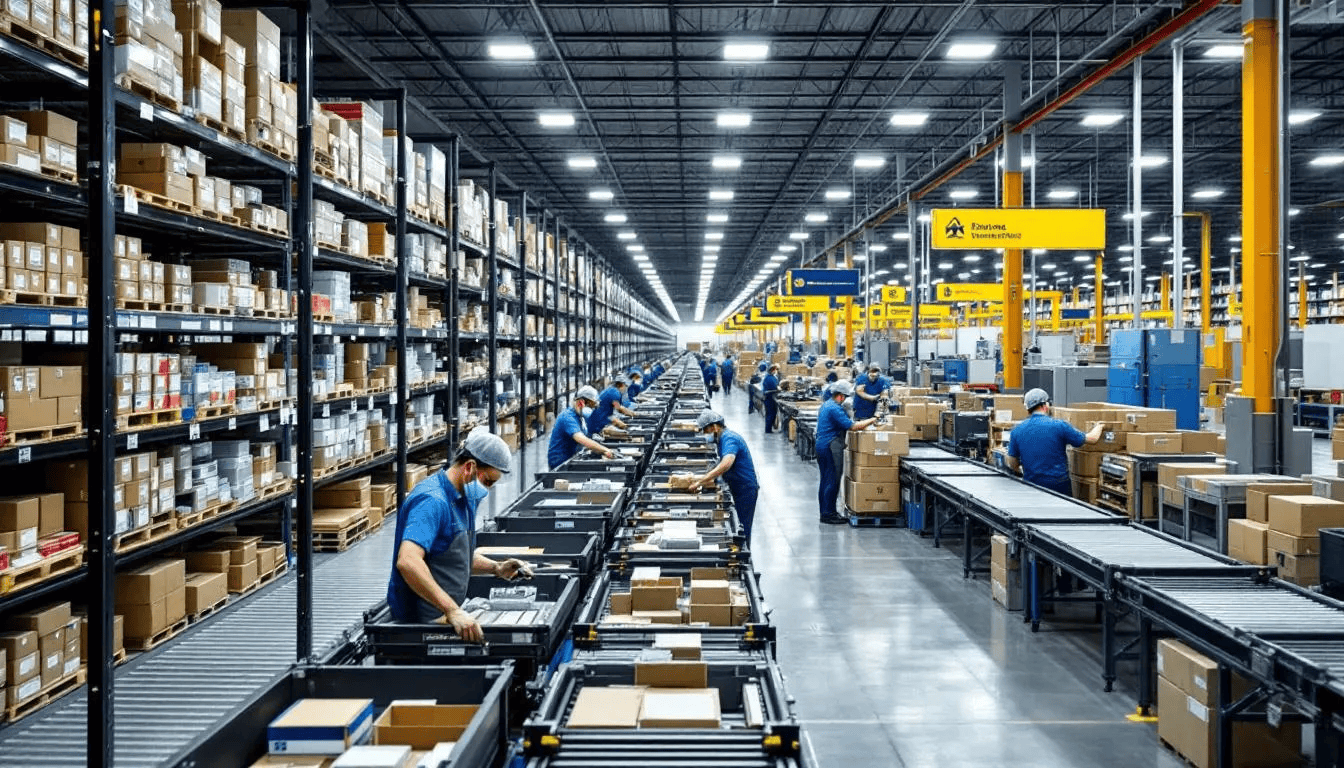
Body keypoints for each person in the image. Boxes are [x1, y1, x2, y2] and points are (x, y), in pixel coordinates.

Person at [388, 429, 532, 635]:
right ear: (469, 467)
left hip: (445, 616)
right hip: (422, 625)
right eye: (488, 481)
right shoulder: (432, 501)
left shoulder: (465, 498)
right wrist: (452, 610)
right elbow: (408, 561)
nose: (487, 489)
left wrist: (496, 567)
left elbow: (452, 555)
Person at [1006, 388, 1105, 496]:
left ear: (1028, 409)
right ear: (1045, 405)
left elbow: (1012, 462)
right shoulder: (1059, 426)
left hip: (1032, 486)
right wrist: (1099, 426)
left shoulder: (1017, 430)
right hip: (1059, 486)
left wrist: (1022, 472)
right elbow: (1092, 439)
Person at [691, 410, 760, 543]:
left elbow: (726, 463)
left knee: (742, 528)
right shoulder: (722, 439)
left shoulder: (729, 438)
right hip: (737, 486)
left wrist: (700, 482)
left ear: (714, 427)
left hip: (745, 489)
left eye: (705, 430)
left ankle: (743, 553)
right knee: (738, 524)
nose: (705, 434)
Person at [814, 381, 877, 524]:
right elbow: (853, 426)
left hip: (822, 445)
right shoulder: (835, 409)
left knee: (825, 480)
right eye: (846, 397)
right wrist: (873, 419)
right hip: (830, 447)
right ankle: (829, 514)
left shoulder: (826, 404)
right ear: (841, 396)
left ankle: (826, 512)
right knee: (832, 481)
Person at [547, 385, 616, 470]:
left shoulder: (580, 417)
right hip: (560, 463)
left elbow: (585, 435)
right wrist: (605, 450)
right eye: (590, 406)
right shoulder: (567, 417)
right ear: (581, 402)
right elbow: (581, 439)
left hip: (572, 458)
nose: (592, 409)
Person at [762, 364, 780, 434]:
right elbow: (774, 387)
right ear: (772, 370)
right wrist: (778, 389)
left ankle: (769, 429)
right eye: (775, 370)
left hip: (771, 398)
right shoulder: (769, 378)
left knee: (771, 414)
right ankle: (768, 430)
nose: (775, 371)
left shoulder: (771, 377)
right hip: (770, 398)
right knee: (770, 414)